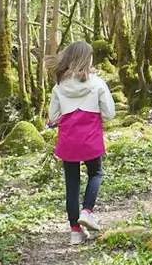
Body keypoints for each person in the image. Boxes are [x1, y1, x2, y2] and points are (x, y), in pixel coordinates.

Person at [46, 41, 116, 246]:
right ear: (87, 59)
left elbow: (53, 116)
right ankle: (87, 210)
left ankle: (75, 231)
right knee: (95, 173)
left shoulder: (59, 86)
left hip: (68, 140)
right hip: (91, 138)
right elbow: (109, 113)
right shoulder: (97, 84)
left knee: (72, 183)